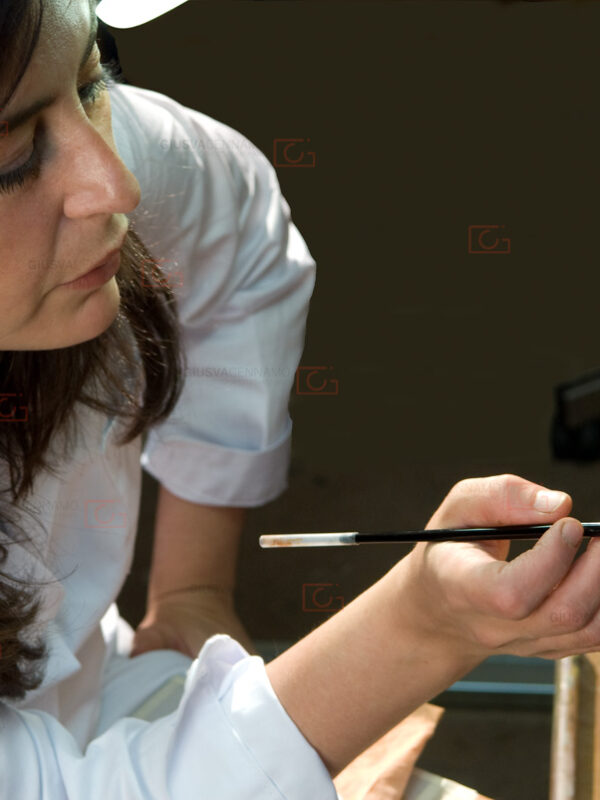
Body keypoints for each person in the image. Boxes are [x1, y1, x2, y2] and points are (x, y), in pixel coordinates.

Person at [0, 1, 598, 797]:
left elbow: (236, 219)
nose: (115, 182)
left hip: (100, 692)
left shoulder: (81, 139)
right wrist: (424, 623)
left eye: (95, 77)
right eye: (12, 159)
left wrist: (191, 589)